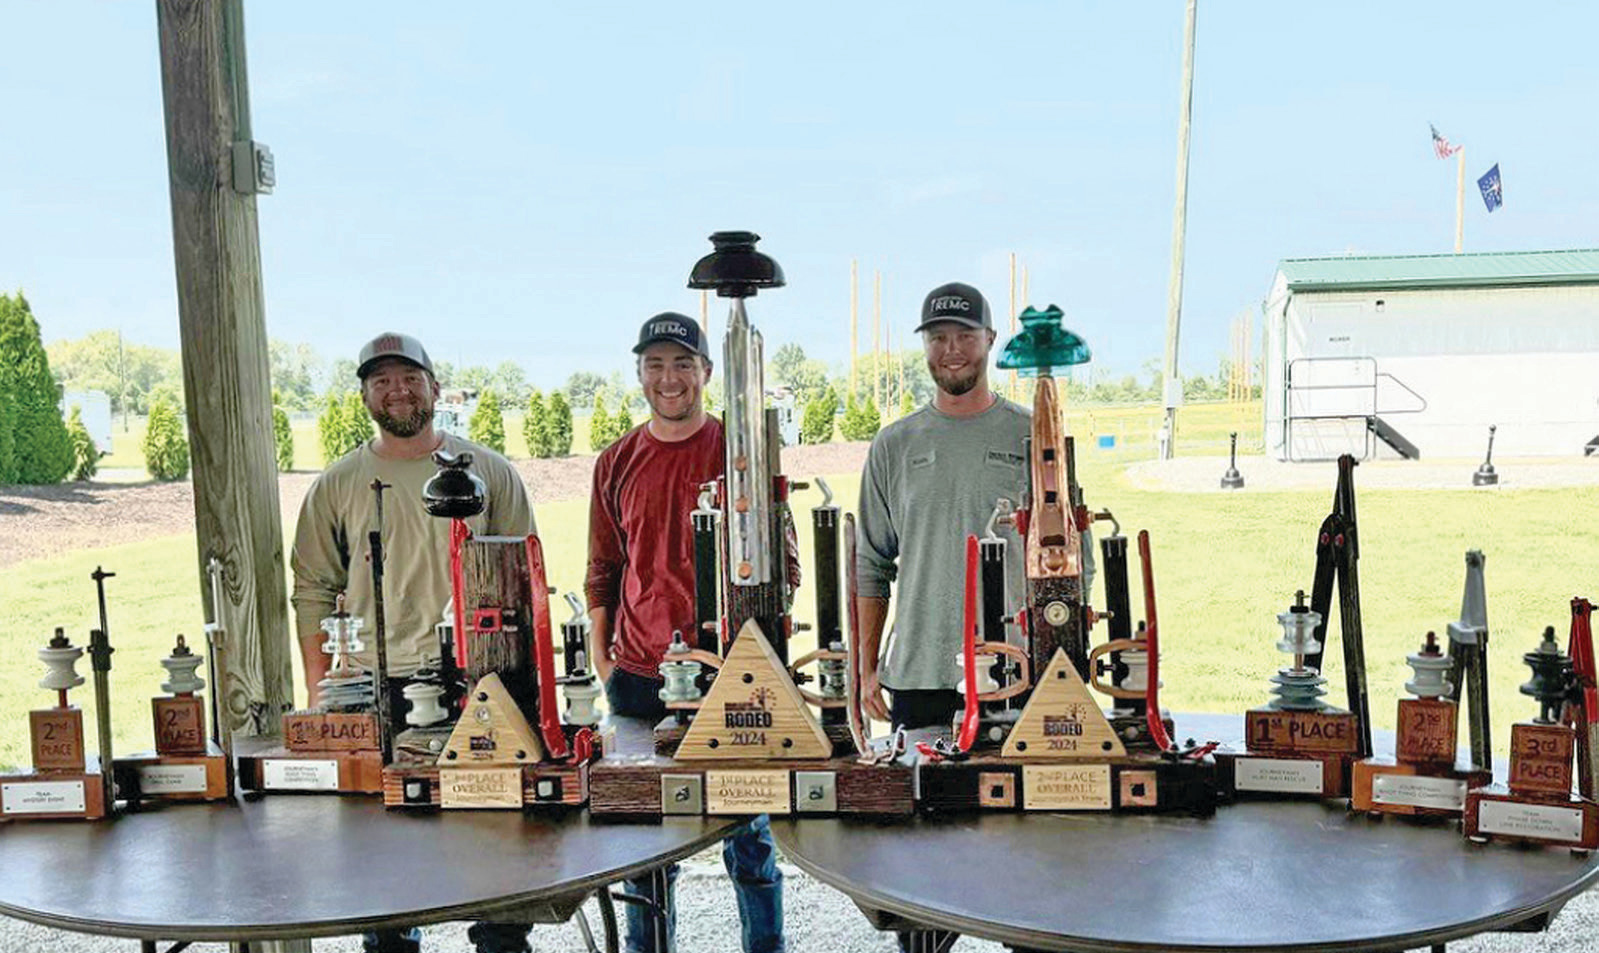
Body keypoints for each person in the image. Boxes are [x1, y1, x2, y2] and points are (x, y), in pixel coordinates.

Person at [290, 331, 536, 953]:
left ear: (434, 386)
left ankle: (501, 936)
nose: (397, 391)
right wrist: (323, 688)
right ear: (365, 394)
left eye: (409, 379)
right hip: (379, 683)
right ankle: (392, 939)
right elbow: (313, 589)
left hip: (480, 679)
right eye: (382, 381)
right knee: (384, 841)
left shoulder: (490, 473)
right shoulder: (338, 484)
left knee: (495, 828)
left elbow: (525, 577)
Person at [586, 312, 785, 953]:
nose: (668, 379)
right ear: (639, 372)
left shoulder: (740, 453)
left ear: (706, 371)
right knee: (647, 841)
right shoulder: (616, 462)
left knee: (748, 834)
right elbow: (603, 570)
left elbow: (785, 565)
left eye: (681, 364)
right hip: (641, 678)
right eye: (655, 365)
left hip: (728, 673)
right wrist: (605, 663)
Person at [856, 282, 1031, 732]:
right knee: (924, 799)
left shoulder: (1032, 436)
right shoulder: (894, 445)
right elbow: (869, 565)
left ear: (990, 338)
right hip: (920, 672)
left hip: (1017, 667)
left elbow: (1072, 558)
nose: (951, 350)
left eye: (965, 336)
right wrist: (865, 667)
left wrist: (1057, 659)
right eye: (938, 338)